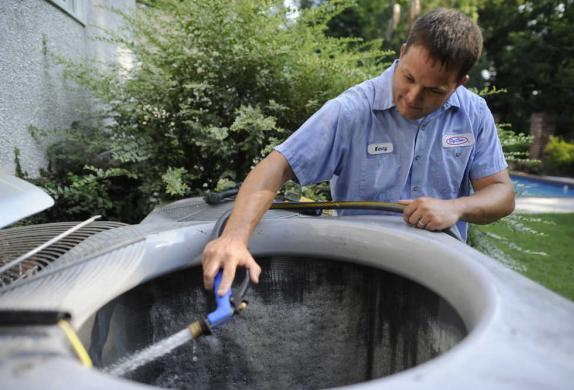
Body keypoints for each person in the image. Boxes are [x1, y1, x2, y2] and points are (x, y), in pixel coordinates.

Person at [202, 8, 515, 295]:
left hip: (441, 279)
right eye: (408, 77)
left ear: (460, 83)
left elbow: (502, 194)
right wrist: (234, 238)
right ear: (402, 53)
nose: (412, 97)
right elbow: (274, 168)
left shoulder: (474, 114)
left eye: (434, 91)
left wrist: (456, 207)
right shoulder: (351, 110)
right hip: (358, 277)